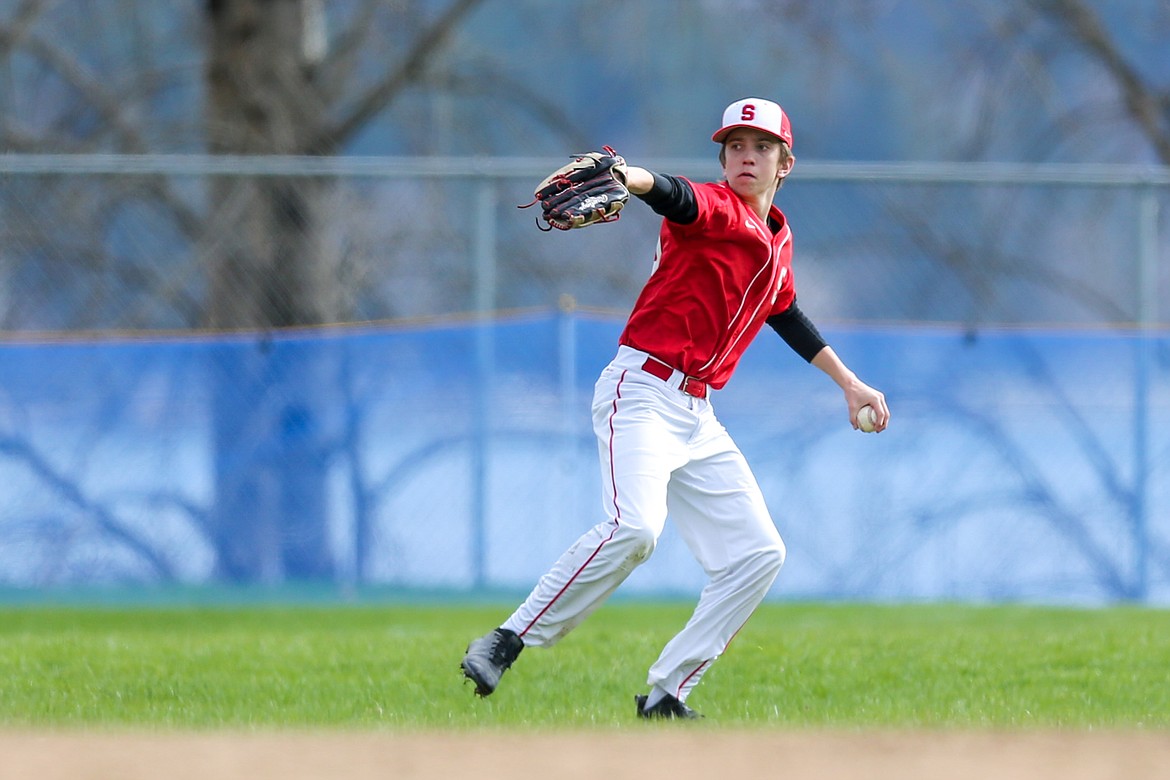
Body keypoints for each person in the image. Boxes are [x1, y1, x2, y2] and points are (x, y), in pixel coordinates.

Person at [461, 97, 889, 719]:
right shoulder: (715, 210)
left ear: (785, 164)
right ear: (723, 158)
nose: (748, 156)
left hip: (697, 414)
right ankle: (508, 640)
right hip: (641, 392)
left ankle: (668, 694)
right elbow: (673, 194)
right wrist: (628, 178)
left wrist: (848, 383)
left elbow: (785, 311)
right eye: (736, 146)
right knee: (635, 529)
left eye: (762, 147)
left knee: (758, 554)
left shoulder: (778, 238)